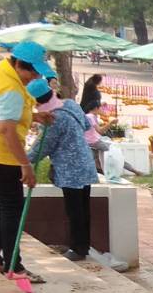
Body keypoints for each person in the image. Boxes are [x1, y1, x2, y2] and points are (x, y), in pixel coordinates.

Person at [0, 41, 54, 282]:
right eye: (31, 71)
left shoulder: (0, 73)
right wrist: (25, 164)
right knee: (11, 209)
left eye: (37, 72)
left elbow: (4, 114)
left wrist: (34, 116)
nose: (33, 76)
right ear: (17, 63)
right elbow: (7, 129)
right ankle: (14, 266)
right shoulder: (11, 87)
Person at [25, 77, 99, 262]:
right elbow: (86, 125)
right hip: (85, 162)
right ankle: (83, 246)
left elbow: (43, 147)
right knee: (83, 208)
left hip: (71, 169)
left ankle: (77, 248)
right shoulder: (70, 104)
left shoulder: (53, 118)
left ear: (35, 102)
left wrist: (21, 161)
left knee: (74, 210)